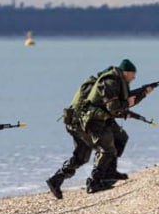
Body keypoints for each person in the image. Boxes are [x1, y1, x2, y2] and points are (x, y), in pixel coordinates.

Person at [46, 59, 149, 198]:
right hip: (87, 122)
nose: (134, 78)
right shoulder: (110, 82)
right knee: (106, 149)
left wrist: (142, 94)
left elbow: (115, 106)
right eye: (133, 75)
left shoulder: (113, 82)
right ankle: (95, 181)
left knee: (89, 153)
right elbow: (114, 107)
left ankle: (56, 180)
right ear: (126, 73)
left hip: (83, 121)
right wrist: (127, 104)